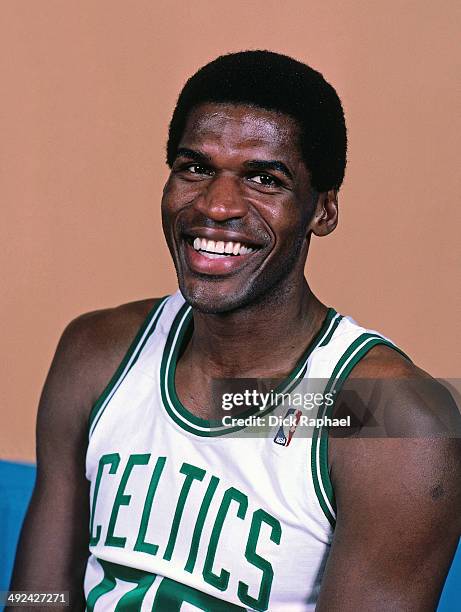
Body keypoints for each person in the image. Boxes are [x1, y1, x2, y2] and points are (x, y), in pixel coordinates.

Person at [9, 50, 461, 611]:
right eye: (195, 168)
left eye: (264, 178)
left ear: (322, 210)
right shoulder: (97, 353)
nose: (217, 205)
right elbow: (37, 595)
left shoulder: (387, 417)